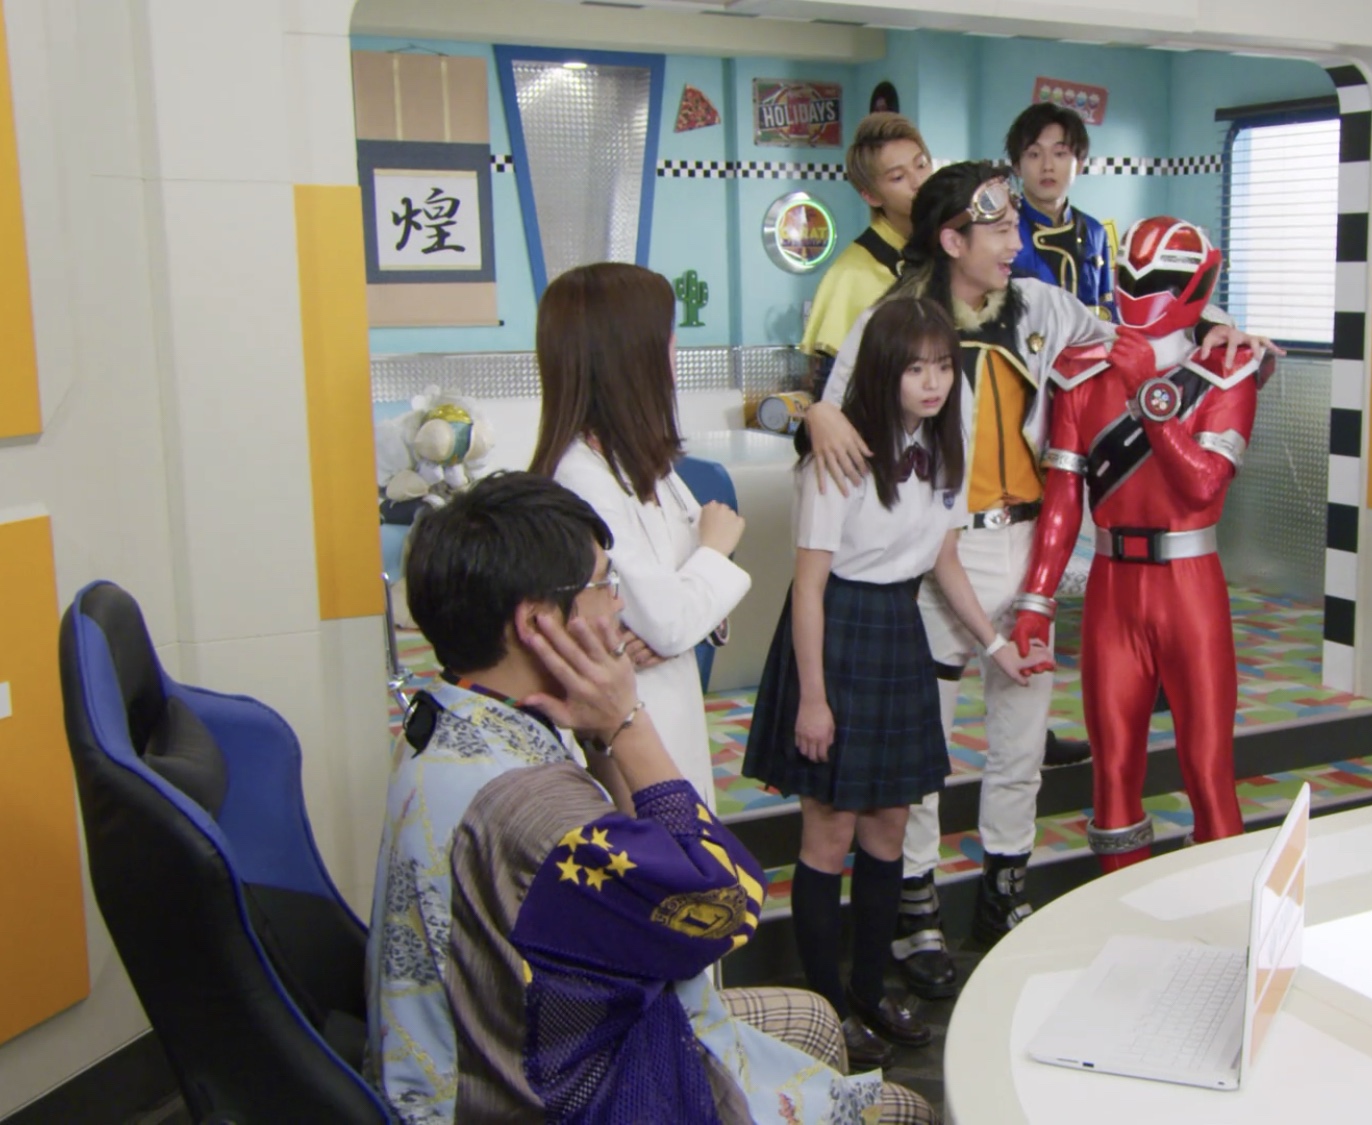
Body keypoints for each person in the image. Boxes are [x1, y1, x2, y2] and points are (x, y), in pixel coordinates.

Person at [803, 162, 1274, 999]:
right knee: (922, 748)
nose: (1014, 241)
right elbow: (840, 411)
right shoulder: (892, 320)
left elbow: (1134, 327)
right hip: (931, 555)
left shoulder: (1039, 304)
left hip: (1024, 543)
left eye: (1014, 226)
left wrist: (1223, 329)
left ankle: (1004, 884)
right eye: (998, 230)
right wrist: (815, 412)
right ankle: (916, 902)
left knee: (1020, 737)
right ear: (952, 239)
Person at [363, 471, 933, 1125]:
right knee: (906, 1110)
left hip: (486, 1049)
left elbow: (629, 855)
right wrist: (627, 721)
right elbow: (725, 906)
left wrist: (599, 738)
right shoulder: (537, 809)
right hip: (560, 1089)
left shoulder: (447, 716)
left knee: (813, 1020)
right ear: (537, 623)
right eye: (604, 584)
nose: (618, 606)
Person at [745, 297, 1030, 1069]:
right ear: (882, 371)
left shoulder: (944, 445)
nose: (933, 383)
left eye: (942, 367)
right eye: (915, 369)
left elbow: (942, 559)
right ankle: (827, 1009)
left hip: (898, 629)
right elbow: (808, 587)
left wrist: (994, 643)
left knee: (888, 828)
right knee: (829, 832)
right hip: (836, 630)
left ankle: (869, 991)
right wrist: (812, 699)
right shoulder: (838, 455)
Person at [1010, 217, 1265, 871]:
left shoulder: (1227, 371)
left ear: (1197, 282)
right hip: (1112, 587)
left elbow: (1200, 486)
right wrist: (1037, 598)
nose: (1141, 290)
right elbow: (1063, 500)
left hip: (1190, 584)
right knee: (1113, 772)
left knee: (1207, 769)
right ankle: (1117, 910)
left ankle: (1222, 905)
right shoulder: (1079, 373)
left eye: (1162, 279)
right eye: (1131, 274)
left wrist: (1148, 394)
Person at [529, 262, 749, 808]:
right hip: (627, 721)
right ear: (630, 354)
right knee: (659, 846)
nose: (675, 352)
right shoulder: (580, 476)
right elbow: (673, 614)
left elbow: (679, 614)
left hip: (668, 701)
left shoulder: (642, 459)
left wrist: (689, 618)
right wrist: (714, 552)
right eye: (667, 338)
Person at [800, 112, 934, 395]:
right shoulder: (850, 274)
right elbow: (830, 390)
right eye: (898, 177)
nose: (918, 182)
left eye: (921, 165)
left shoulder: (954, 249)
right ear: (871, 196)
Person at [1005, 102, 1115, 321]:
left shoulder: (1095, 231)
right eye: (1034, 154)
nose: (1047, 166)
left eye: (1059, 153)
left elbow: (1106, 311)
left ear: (1079, 164)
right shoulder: (1002, 229)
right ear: (1017, 166)